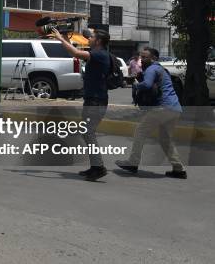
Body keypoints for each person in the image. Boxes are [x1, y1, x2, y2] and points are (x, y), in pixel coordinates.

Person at [115, 47, 187, 179]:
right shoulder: (161, 69)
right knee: (166, 139)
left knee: (140, 131)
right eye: (141, 57)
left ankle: (133, 162)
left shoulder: (152, 69)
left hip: (162, 108)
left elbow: (147, 84)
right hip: (175, 108)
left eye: (145, 57)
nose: (142, 60)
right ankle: (179, 169)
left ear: (153, 58)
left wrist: (136, 85)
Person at [52, 27, 110, 181]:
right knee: (87, 133)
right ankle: (95, 167)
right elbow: (75, 51)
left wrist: (60, 38)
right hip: (95, 100)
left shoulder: (99, 54)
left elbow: (76, 53)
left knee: (88, 133)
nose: (88, 39)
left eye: (91, 38)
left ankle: (99, 167)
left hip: (95, 102)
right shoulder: (99, 54)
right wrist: (66, 38)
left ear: (98, 41)